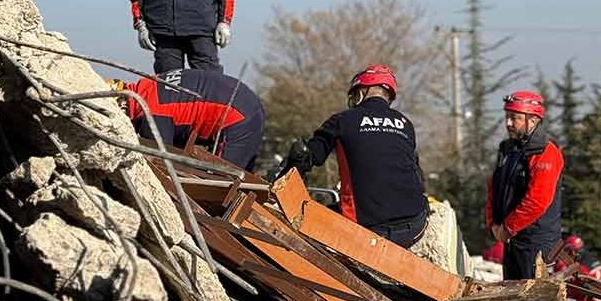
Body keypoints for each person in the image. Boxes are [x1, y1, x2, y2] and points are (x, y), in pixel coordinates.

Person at [282, 65, 428, 248]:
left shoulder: (342, 121)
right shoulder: (406, 124)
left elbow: (305, 155)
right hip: (415, 225)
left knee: (311, 225)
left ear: (362, 91)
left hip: (369, 228)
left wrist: (284, 176)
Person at [112, 68, 263, 171]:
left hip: (237, 118)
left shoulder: (152, 114)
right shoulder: (150, 84)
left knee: (222, 188)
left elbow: (162, 166)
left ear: (122, 104)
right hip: (245, 100)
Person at [486, 90, 564, 279]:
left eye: (515, 118)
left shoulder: (545, 152)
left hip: (536, 244)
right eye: (507, 117)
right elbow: (493, 188)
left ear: (533, 119)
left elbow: (537, 200)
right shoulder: (507, 150)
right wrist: (493, 225)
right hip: (512, 241)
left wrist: (507, 228)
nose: (508, 123)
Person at [555, 234, 601, 301]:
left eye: (568, 252)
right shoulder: (592, 262)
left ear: (572, 251)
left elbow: (583, 284)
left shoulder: (579, 267)